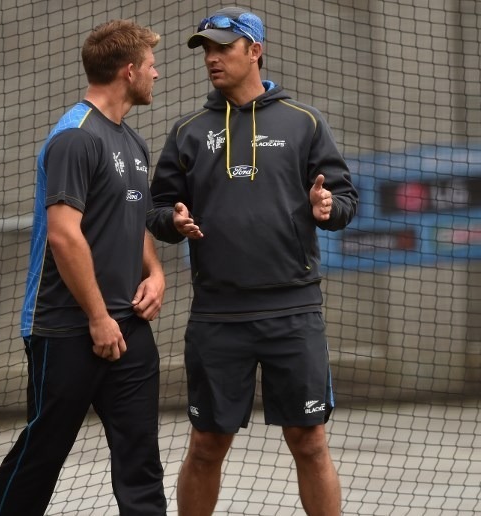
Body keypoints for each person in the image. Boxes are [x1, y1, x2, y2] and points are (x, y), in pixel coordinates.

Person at [147, 7, 358, 516]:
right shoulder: (188, 131)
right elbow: (156, 210)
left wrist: (327, 208)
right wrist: (173, 220)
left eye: (223, 47)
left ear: (255, 51)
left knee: (309, 441)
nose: (212, 58)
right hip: (217, 316)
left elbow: (345, 200)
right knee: (206, 444)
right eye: (206, 49)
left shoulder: (305, 122)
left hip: (294, 313)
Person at [0, 20, 167, 516]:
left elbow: (133, 220)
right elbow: (64, 234)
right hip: (66, 328)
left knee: (141, 461)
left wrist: (155, 273)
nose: (157, 73)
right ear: (128, 71)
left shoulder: (134, 143)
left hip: (128, 326)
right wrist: (97, 317)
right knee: (42, 454)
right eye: (151, 65)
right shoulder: (74, 137)